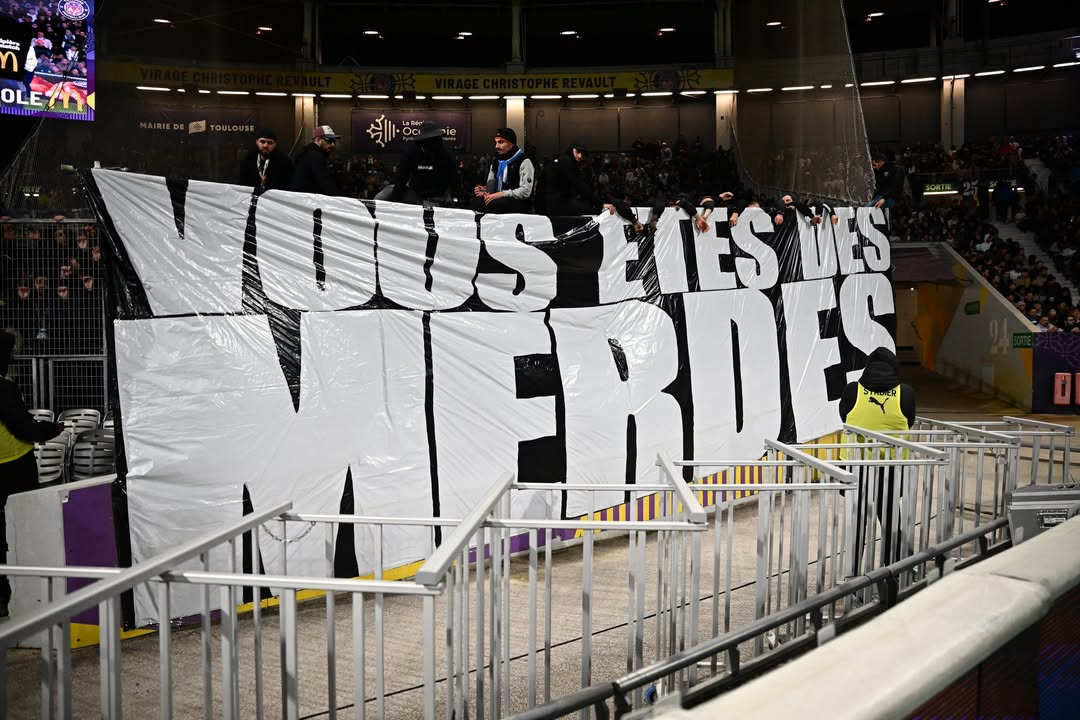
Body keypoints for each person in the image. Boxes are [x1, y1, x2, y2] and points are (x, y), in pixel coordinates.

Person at [0, 331, 64, 618]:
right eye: (10, 352)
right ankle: (17, 597)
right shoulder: (3, 388)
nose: (13, 357)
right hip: (13, 468)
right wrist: (53, 430)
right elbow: (24, 428)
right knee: (19, 533)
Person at [839, 346, 917, 573]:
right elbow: (909, 421)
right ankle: (892, 571)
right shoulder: (906, 392)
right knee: (892, 518)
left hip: (857, 468)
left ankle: (853, 575)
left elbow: (845, 416)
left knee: (858, 522)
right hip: (891, 468)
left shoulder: (853, 390)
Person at [375, 121, 460, 206]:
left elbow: (454, 179)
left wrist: (455, 199)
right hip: (416, 196)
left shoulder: (446, 154)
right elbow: (401, 178)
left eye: (436, 139)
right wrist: (395, 201)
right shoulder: (411, 152)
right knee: (384, 194)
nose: (433, 143)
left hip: (439, 197)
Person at [544, 142, 615, 217]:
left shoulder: (565, 161)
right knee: (594, 212)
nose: (580, 156)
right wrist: (600, 204)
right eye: (577, 152)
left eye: (583, 154)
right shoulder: (566, 161)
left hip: (557, 202)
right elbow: (578, 184)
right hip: (559, 203)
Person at [473, 128, 535, 214]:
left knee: (493, 205)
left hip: (519, 203)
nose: (496, 146)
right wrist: (486, 191)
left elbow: (525, 192)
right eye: (496, 142)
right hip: (500, 198)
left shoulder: (524, 161)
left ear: (511, 144)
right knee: (477, 205)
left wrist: (501, 193)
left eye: (501, 142)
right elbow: (492, 188)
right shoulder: (495, 162)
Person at [237, 128, 293, 193]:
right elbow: (242, 184)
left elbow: (288, 188)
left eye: (270, 143)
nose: (265, 145)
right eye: (262, 142)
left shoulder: (284, 162)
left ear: (275, 144)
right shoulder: (249, 159)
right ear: (257, 142)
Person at [291, 125, 341, 196]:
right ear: (318, 140)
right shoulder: (315, 156)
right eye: (329, 140)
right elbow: (325, 183)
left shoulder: (307, 153)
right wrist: (343, 199)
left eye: (334, 141)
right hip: (307, 201)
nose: (332, 144)